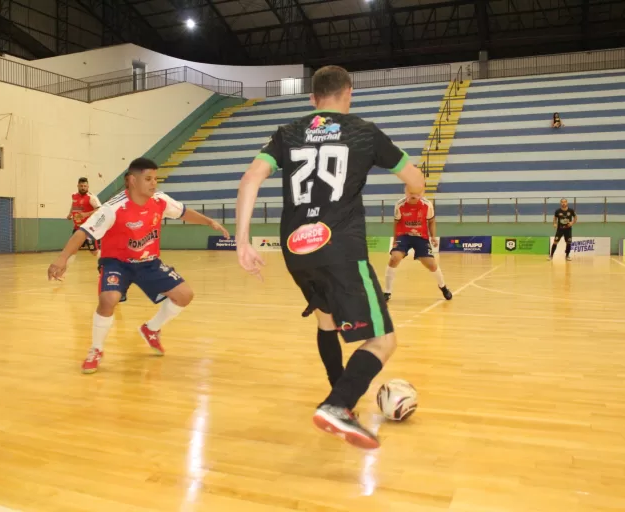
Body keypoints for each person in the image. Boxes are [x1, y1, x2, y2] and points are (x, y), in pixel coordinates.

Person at [235, 65, 426, 450]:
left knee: (326, 322)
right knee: (383, 341)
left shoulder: (287, 133)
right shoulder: (363, 131)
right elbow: (415, 181)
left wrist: (242, 242)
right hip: (340, 247)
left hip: (296, 249)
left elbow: (250, 179)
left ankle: (338, 396)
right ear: (349, 93)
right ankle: (338, 404)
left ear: (312, 98)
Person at [48, 158, 230, 374]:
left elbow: (183, 212)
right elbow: (82, 232)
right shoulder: (113, 208)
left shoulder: (160, 200)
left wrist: (209, 221)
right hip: (117, 262)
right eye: (148, 179)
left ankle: (151, 329)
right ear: (133, 180)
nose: (154, 183)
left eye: (156, 178)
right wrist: (62, 259)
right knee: (109, 299)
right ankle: (96, 349)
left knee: (184, 295)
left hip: (148, 262)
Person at [384, 191, 452, 302]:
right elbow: (396, 223)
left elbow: (431, 221)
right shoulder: (399, 204)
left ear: (421, 193)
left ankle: (443, 287)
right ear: (406, 193)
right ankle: (387, 292)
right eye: (410, 192)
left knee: (431, 264)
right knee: (394, 258)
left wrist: (433, 236)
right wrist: (395, 240)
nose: (413, 195)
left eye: (416, 192)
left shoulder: (427, 205)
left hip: (421, 237)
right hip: (404, 235)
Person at [68, 177, 102, 255]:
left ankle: (105, 264)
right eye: (81, 186)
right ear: (78, 186)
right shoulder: (74, 196)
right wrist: (70, 213)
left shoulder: (91, 197)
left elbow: (100, 210)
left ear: (88, 186)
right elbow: (73, 206)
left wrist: (86, 214)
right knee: (71, 249)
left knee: (94, 252)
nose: (83, 188)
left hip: (89, 229)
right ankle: (64, 266)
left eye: (85, 186)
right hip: (77, 228)